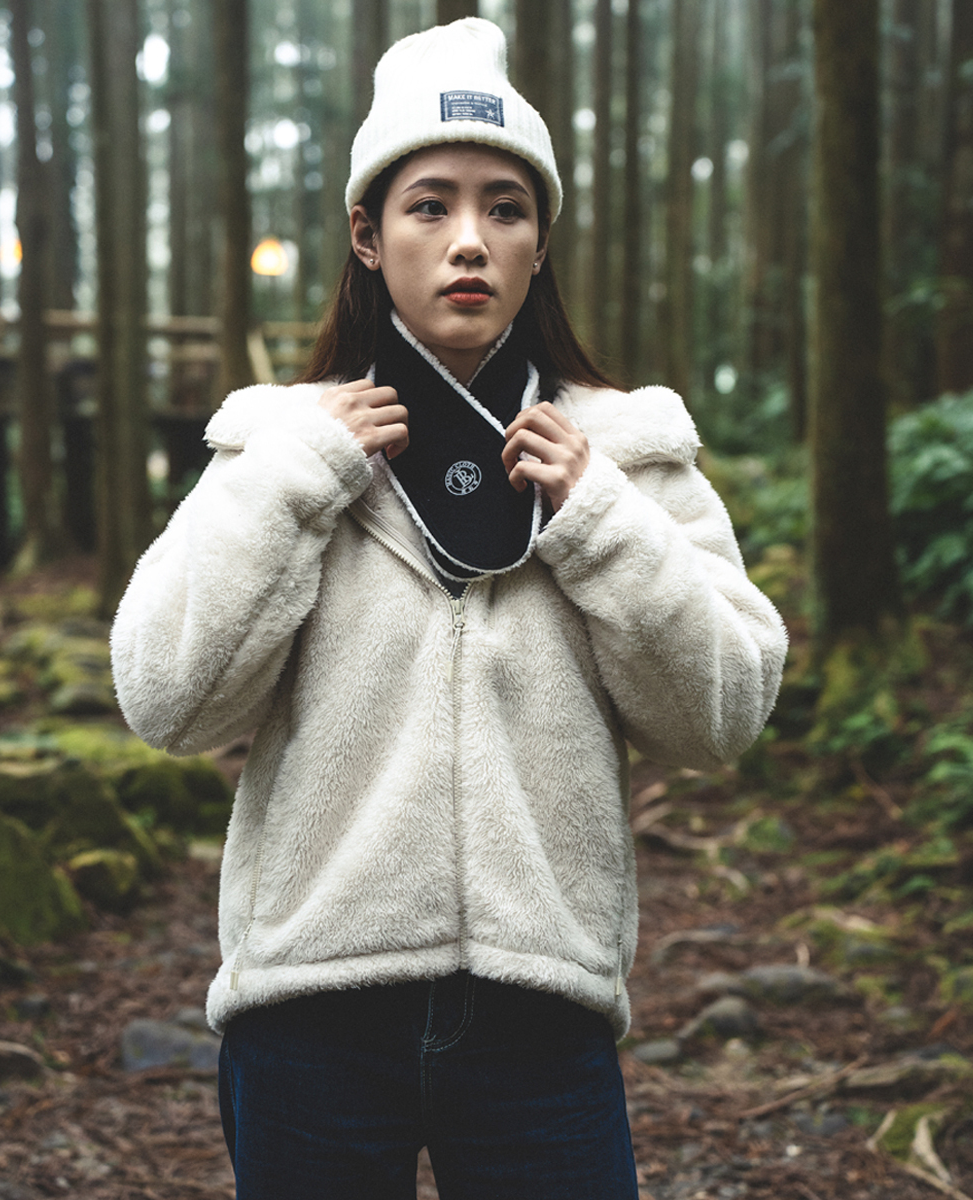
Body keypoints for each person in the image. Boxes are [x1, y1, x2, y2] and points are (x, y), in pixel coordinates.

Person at [111, 17, 787, 1200]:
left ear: (539, 243)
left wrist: (599, 516)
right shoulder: (278, 445)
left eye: (504, 208)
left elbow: (721, 718)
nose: (469, 239)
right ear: (368, 237)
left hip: (543, 1016)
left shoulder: (626, 452)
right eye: (429, 205)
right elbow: (166, 698)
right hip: (309, 1011)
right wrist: (296, 481)